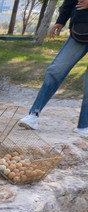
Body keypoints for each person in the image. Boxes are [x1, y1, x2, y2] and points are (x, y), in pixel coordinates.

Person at [19, 0, 88, 135]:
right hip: (81, 28)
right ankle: (33, 115)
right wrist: (61, 20)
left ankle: (84, 125)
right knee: (55, 70)